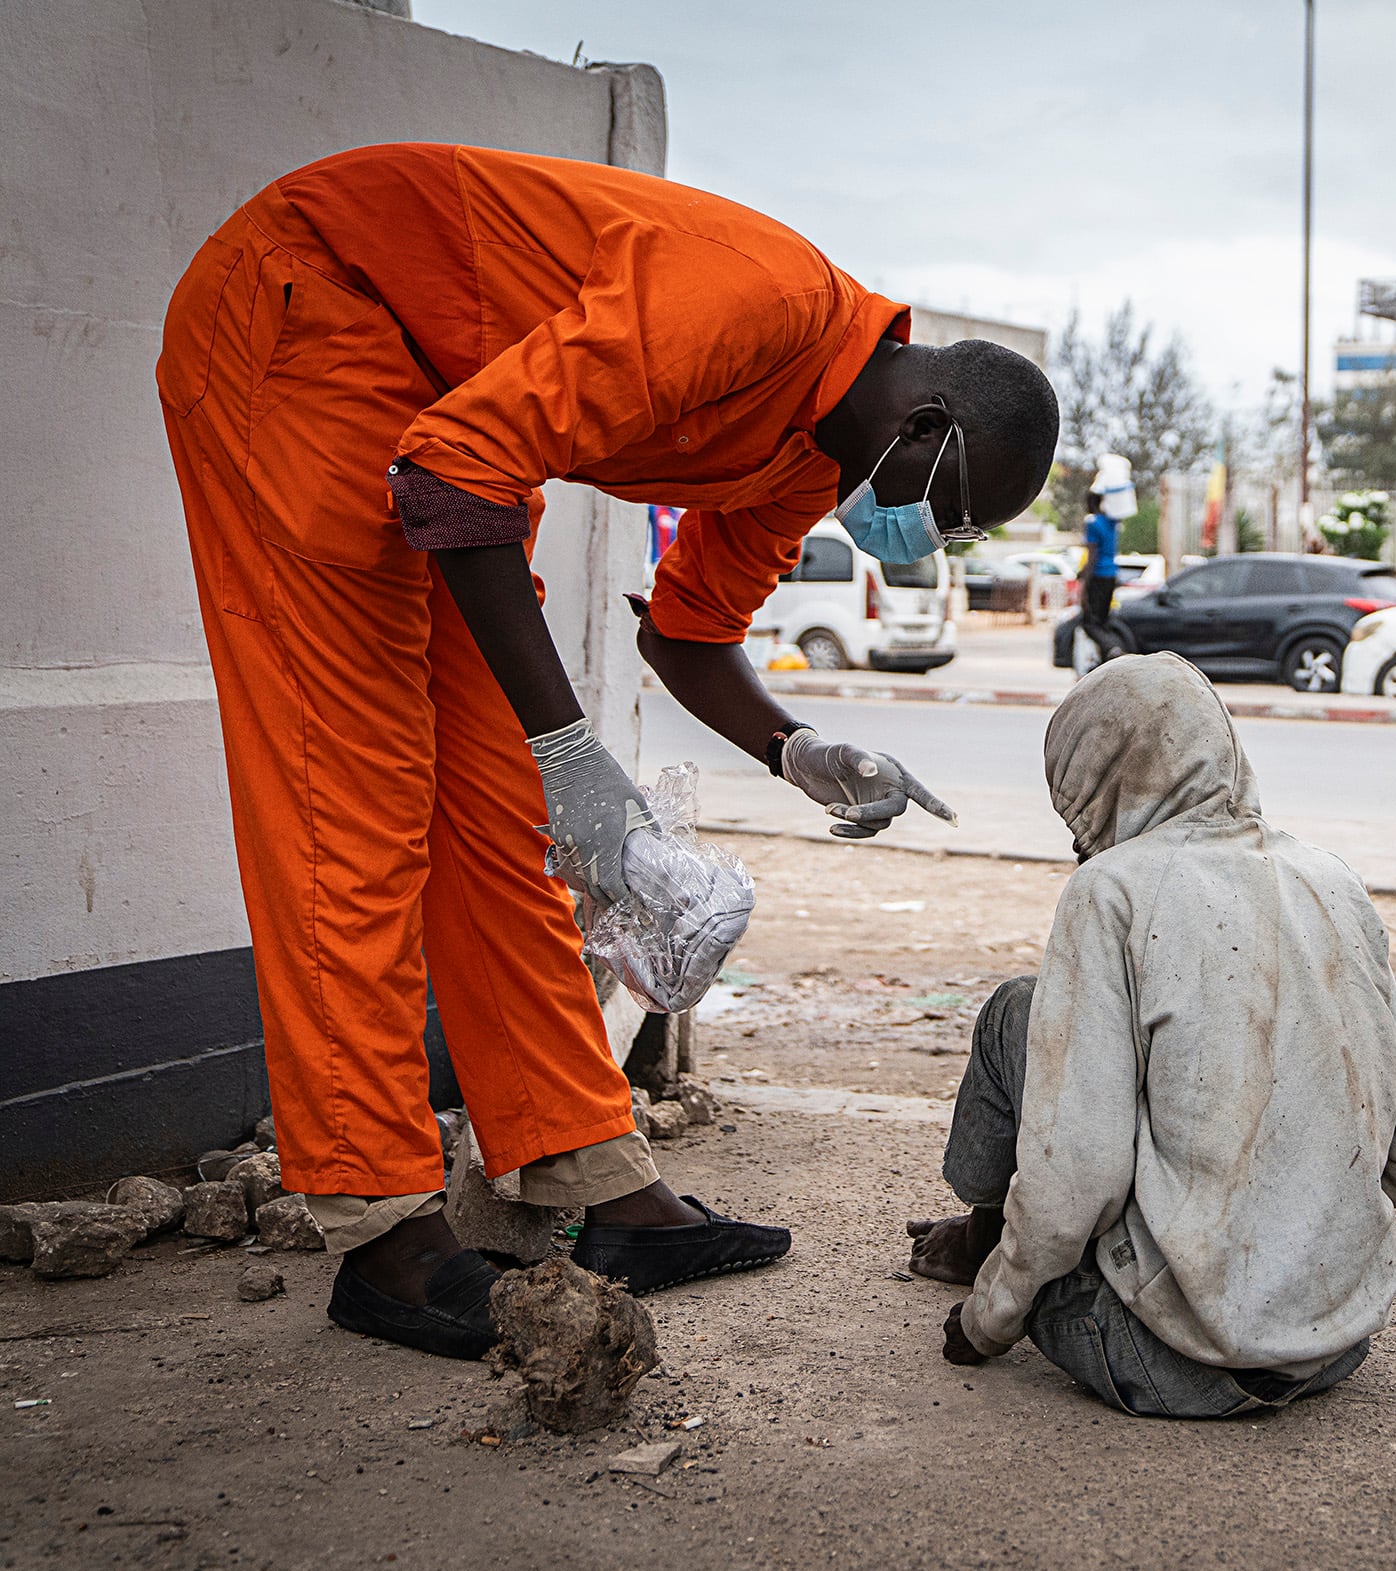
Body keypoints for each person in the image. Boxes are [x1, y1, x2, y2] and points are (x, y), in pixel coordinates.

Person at [154, 143, 1060, 1358]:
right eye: (946, 507)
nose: (924, 539)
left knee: (507, 824)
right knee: (351, 806)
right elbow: (452, 475)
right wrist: (574, 751)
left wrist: (797, 749)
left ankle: (593, 1181)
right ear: (928, 420)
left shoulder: (815, 456)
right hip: (312, 313)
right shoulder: (753, 304)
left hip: (444, 416)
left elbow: (690, 634)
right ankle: (383, 1233)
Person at [901, 654, 1396, 1417]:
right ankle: (993, 1232)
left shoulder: (1108, 892)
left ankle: (984, 1237)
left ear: (1094, 777)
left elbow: (1076, 1178)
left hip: (1163, 1359)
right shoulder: (1333, 878)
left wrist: (989, 1321)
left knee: (1017, 1011)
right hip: (1337, 1346)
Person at [1076, 455, 1130, 668]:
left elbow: (1092, 556)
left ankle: (1113, 649)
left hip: (1097, 576)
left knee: (1090, 623)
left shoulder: (1092, 523)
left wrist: (1084, 582)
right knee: (1103, 621)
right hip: (1111, 576)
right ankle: (1105, 659)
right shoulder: (1112, 522)